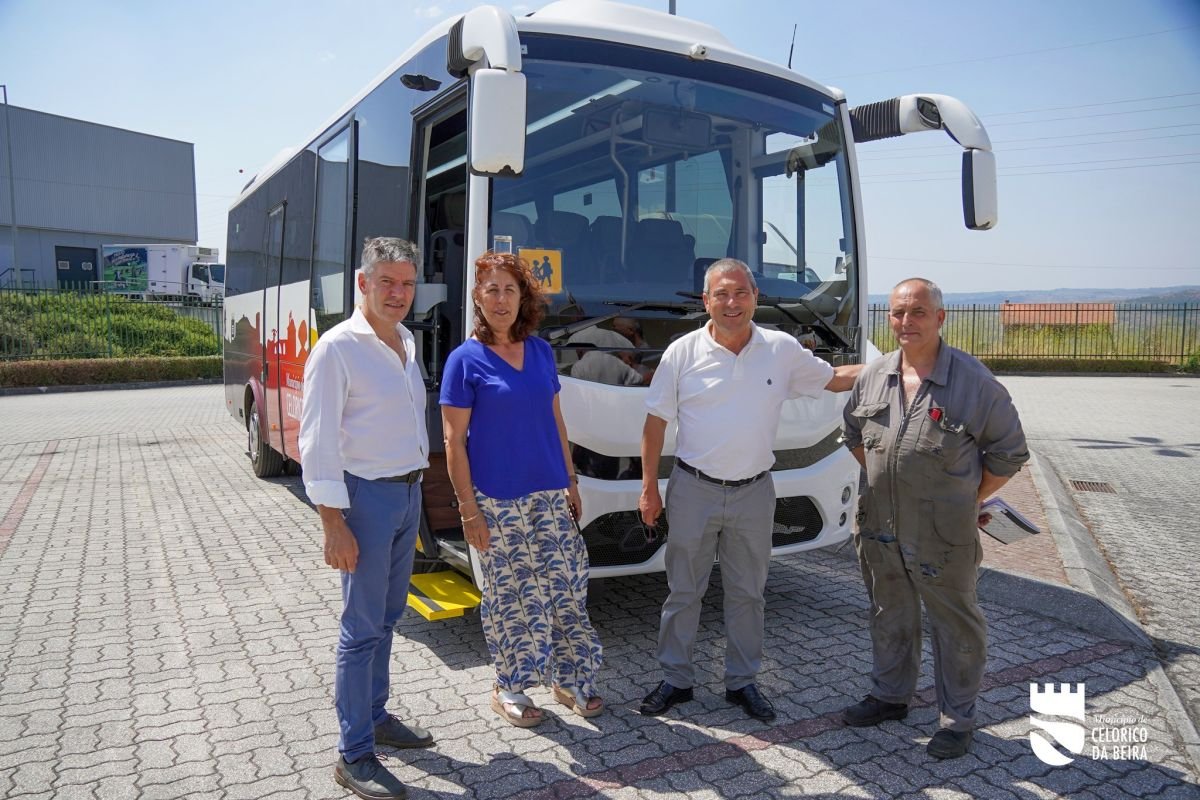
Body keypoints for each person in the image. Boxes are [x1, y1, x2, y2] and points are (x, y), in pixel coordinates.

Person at [637, 258, 861, 722]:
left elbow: (833, 379)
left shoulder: (781, 349)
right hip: (693, 489)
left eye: (741, 292)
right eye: (721, 294)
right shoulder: (682, 352)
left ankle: (741, 683)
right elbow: (654, 424)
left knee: (748, 594)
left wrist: (898, 364)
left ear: (755, 298)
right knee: (684, 592)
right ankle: (676, 680)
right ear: (706, 301)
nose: (732, 302)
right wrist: (648, 490)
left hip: (754, 492)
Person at [840, 277, 1029, 760]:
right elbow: (854, 435)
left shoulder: (974, 382)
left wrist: (967, 497)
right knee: (889, 613)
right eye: (898, 313)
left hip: (944, 534)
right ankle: (890, 696)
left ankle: (956, 720)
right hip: (880, 526)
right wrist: (890, 481)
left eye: (918, 312)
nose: (907, 321)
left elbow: (1009, 453)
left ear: (940, 318)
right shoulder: (873, 376)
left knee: (955, 626)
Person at [440, 251, 604, 727]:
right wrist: (468, 511)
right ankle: (508, 686)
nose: (501, 299)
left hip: (550, 492)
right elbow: (453, 442)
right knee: (513, 597)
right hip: (497, 499)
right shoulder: (464, 361)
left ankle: (570, 679)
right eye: (491, 289)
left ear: (522, 297)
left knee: (567, 588)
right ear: (477, 297)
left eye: (510, 289)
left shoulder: (540, 351)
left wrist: (570, 478)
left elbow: (555, 419)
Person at [299, 237, 432, 800]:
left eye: (407, 283)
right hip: (365, 500)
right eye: (387, 282)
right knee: (360, 629)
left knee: (389, 616)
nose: (398, 293)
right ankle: (353, 754)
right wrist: (333, 523)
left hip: (407, 494)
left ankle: (376, 716)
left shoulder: (405, 340)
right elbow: (317, 441)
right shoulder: (338, 348)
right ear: (363, 283)